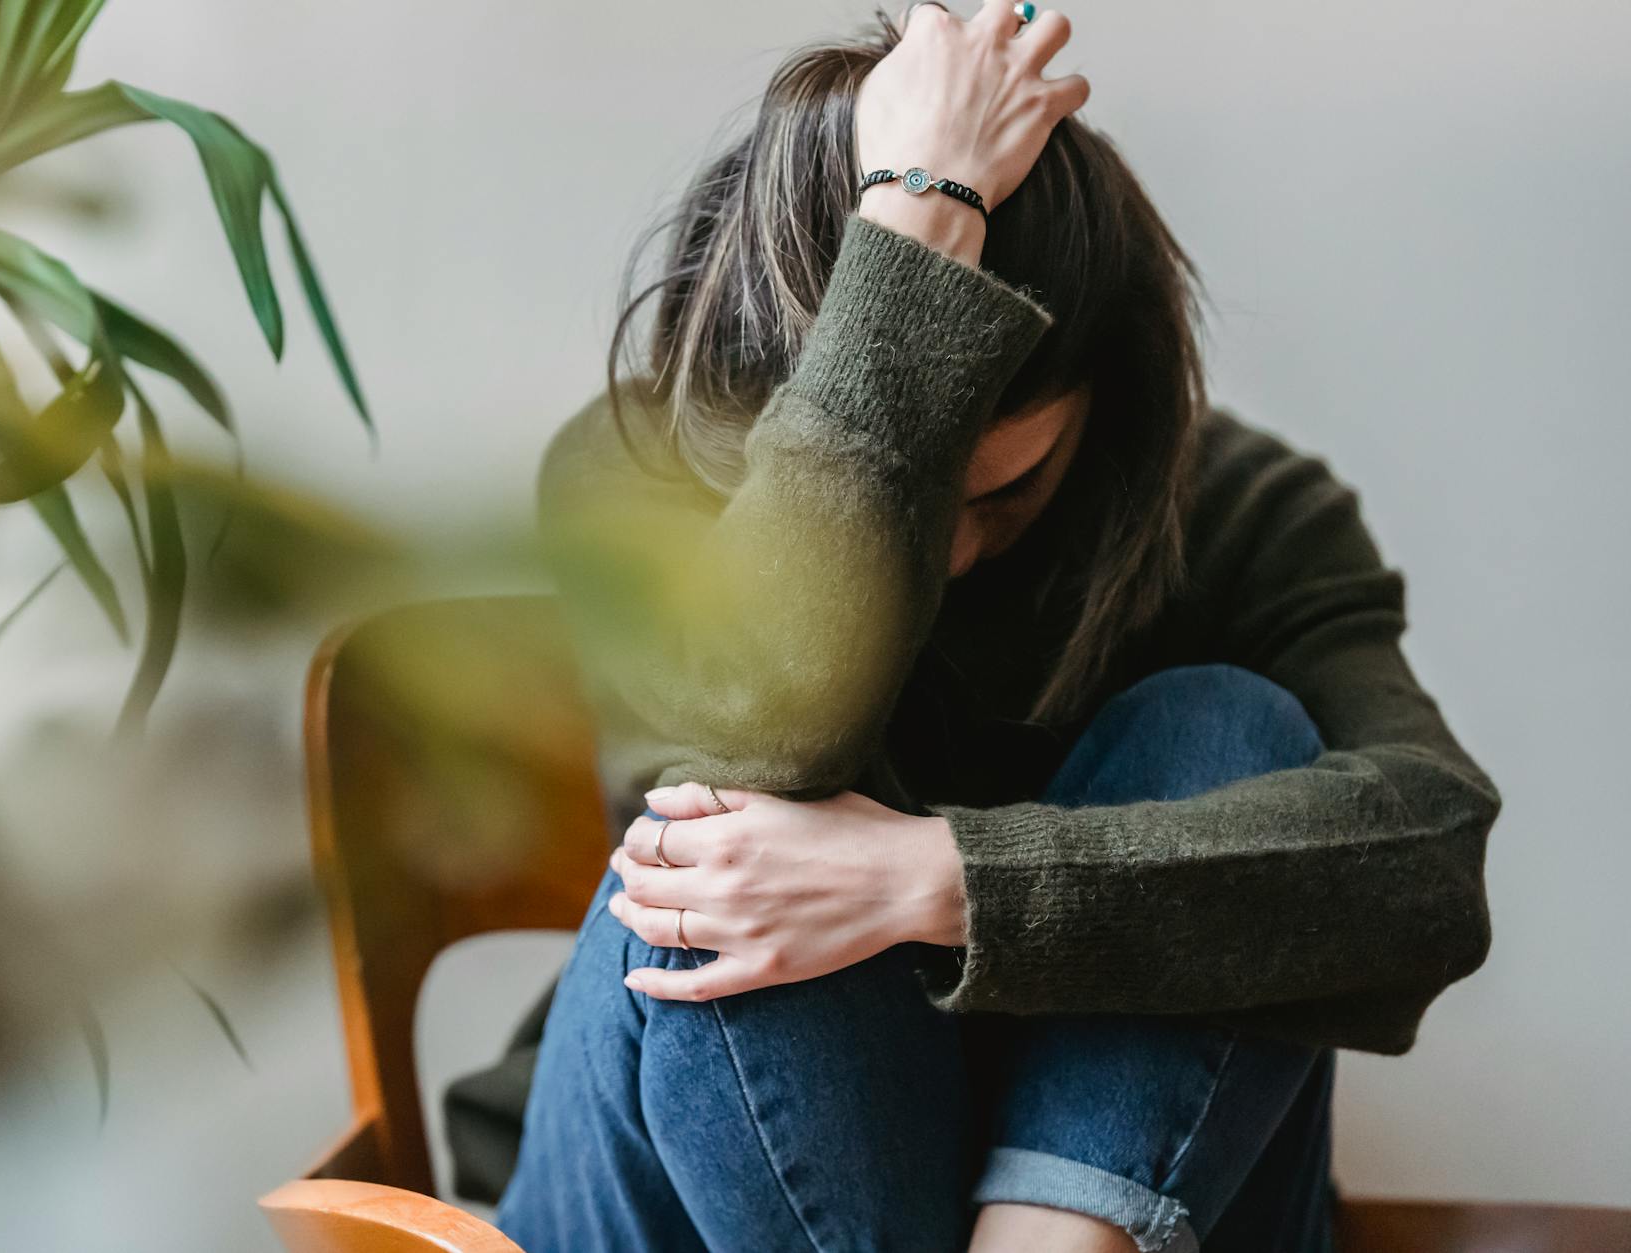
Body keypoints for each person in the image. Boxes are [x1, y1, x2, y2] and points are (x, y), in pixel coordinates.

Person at [447, 4, 1499, 1250]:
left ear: (1105, 406)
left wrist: (934, 881)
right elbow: (755, 748)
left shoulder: (1228, 506)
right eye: (908, 488)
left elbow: (1424, 861)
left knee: (1225, 724)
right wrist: (919, 217)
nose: (945, 549)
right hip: (675, 1191)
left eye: (1000, 491)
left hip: (1094, 1211)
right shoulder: (634, 471)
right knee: (728, 854)